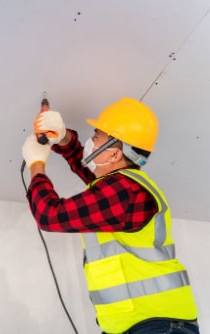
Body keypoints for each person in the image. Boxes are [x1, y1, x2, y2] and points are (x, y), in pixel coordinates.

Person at [21, 97, 200, 334]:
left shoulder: (126, 191)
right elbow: (85, 167)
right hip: (137, 325)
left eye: (96, 138)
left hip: (156, 324)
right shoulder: (121, 186)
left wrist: (36, 164)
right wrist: (62, 136)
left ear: (114, 155)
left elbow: (50, 216)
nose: (90, 142)